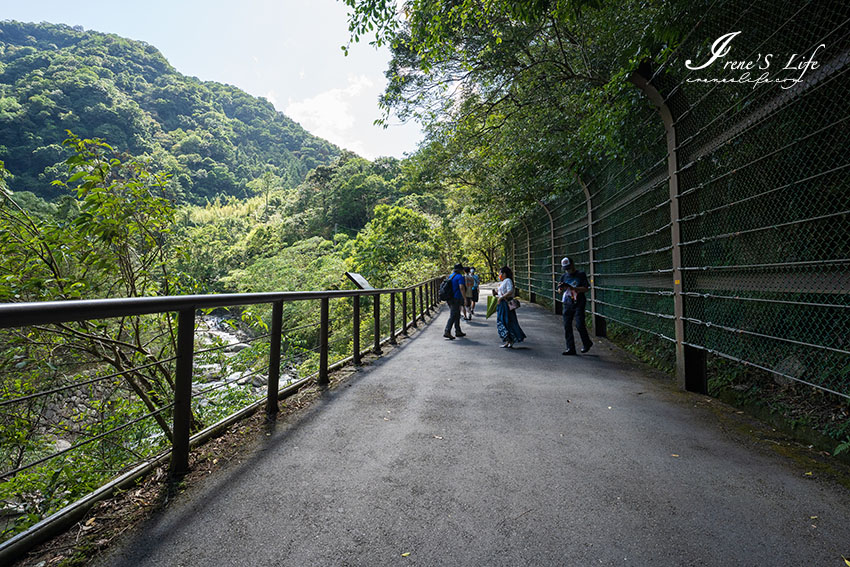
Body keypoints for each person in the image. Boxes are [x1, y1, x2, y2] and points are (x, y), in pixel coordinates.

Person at [557, 257, 592, 355]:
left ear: (572, 264)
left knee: (579, 324)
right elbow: (559, 290)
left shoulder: (580, 275)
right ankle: (570, 348)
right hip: (567, 303)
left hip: (579, 302)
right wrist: (561, 288)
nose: (568, 270)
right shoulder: (564, 276)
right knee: (567, 325)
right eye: (566, 268)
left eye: (569, 267)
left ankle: (587, 343)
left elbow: (586, 288)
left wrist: (574, 288)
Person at [492, 266, 526, 348]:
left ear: (504, 273)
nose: (499, 274)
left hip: (505, 304)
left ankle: (510, 339)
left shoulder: (508, 280)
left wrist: (501, 297)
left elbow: (510, 291)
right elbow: (502, 292)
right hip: (501, 303)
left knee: (506, 321)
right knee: (503, 320)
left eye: (500, 273)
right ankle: (508, 340)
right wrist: (496, 293)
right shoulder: (503, 282)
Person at [443, 263, 467, 340]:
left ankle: (458, 331)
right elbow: (461, 287)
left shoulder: (451, 276)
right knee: (453, 314)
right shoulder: (459, 277)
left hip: (449, 298)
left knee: (456, 314)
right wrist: (465, 298)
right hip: (456, 298)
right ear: (460, 270)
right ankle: (447, 331)